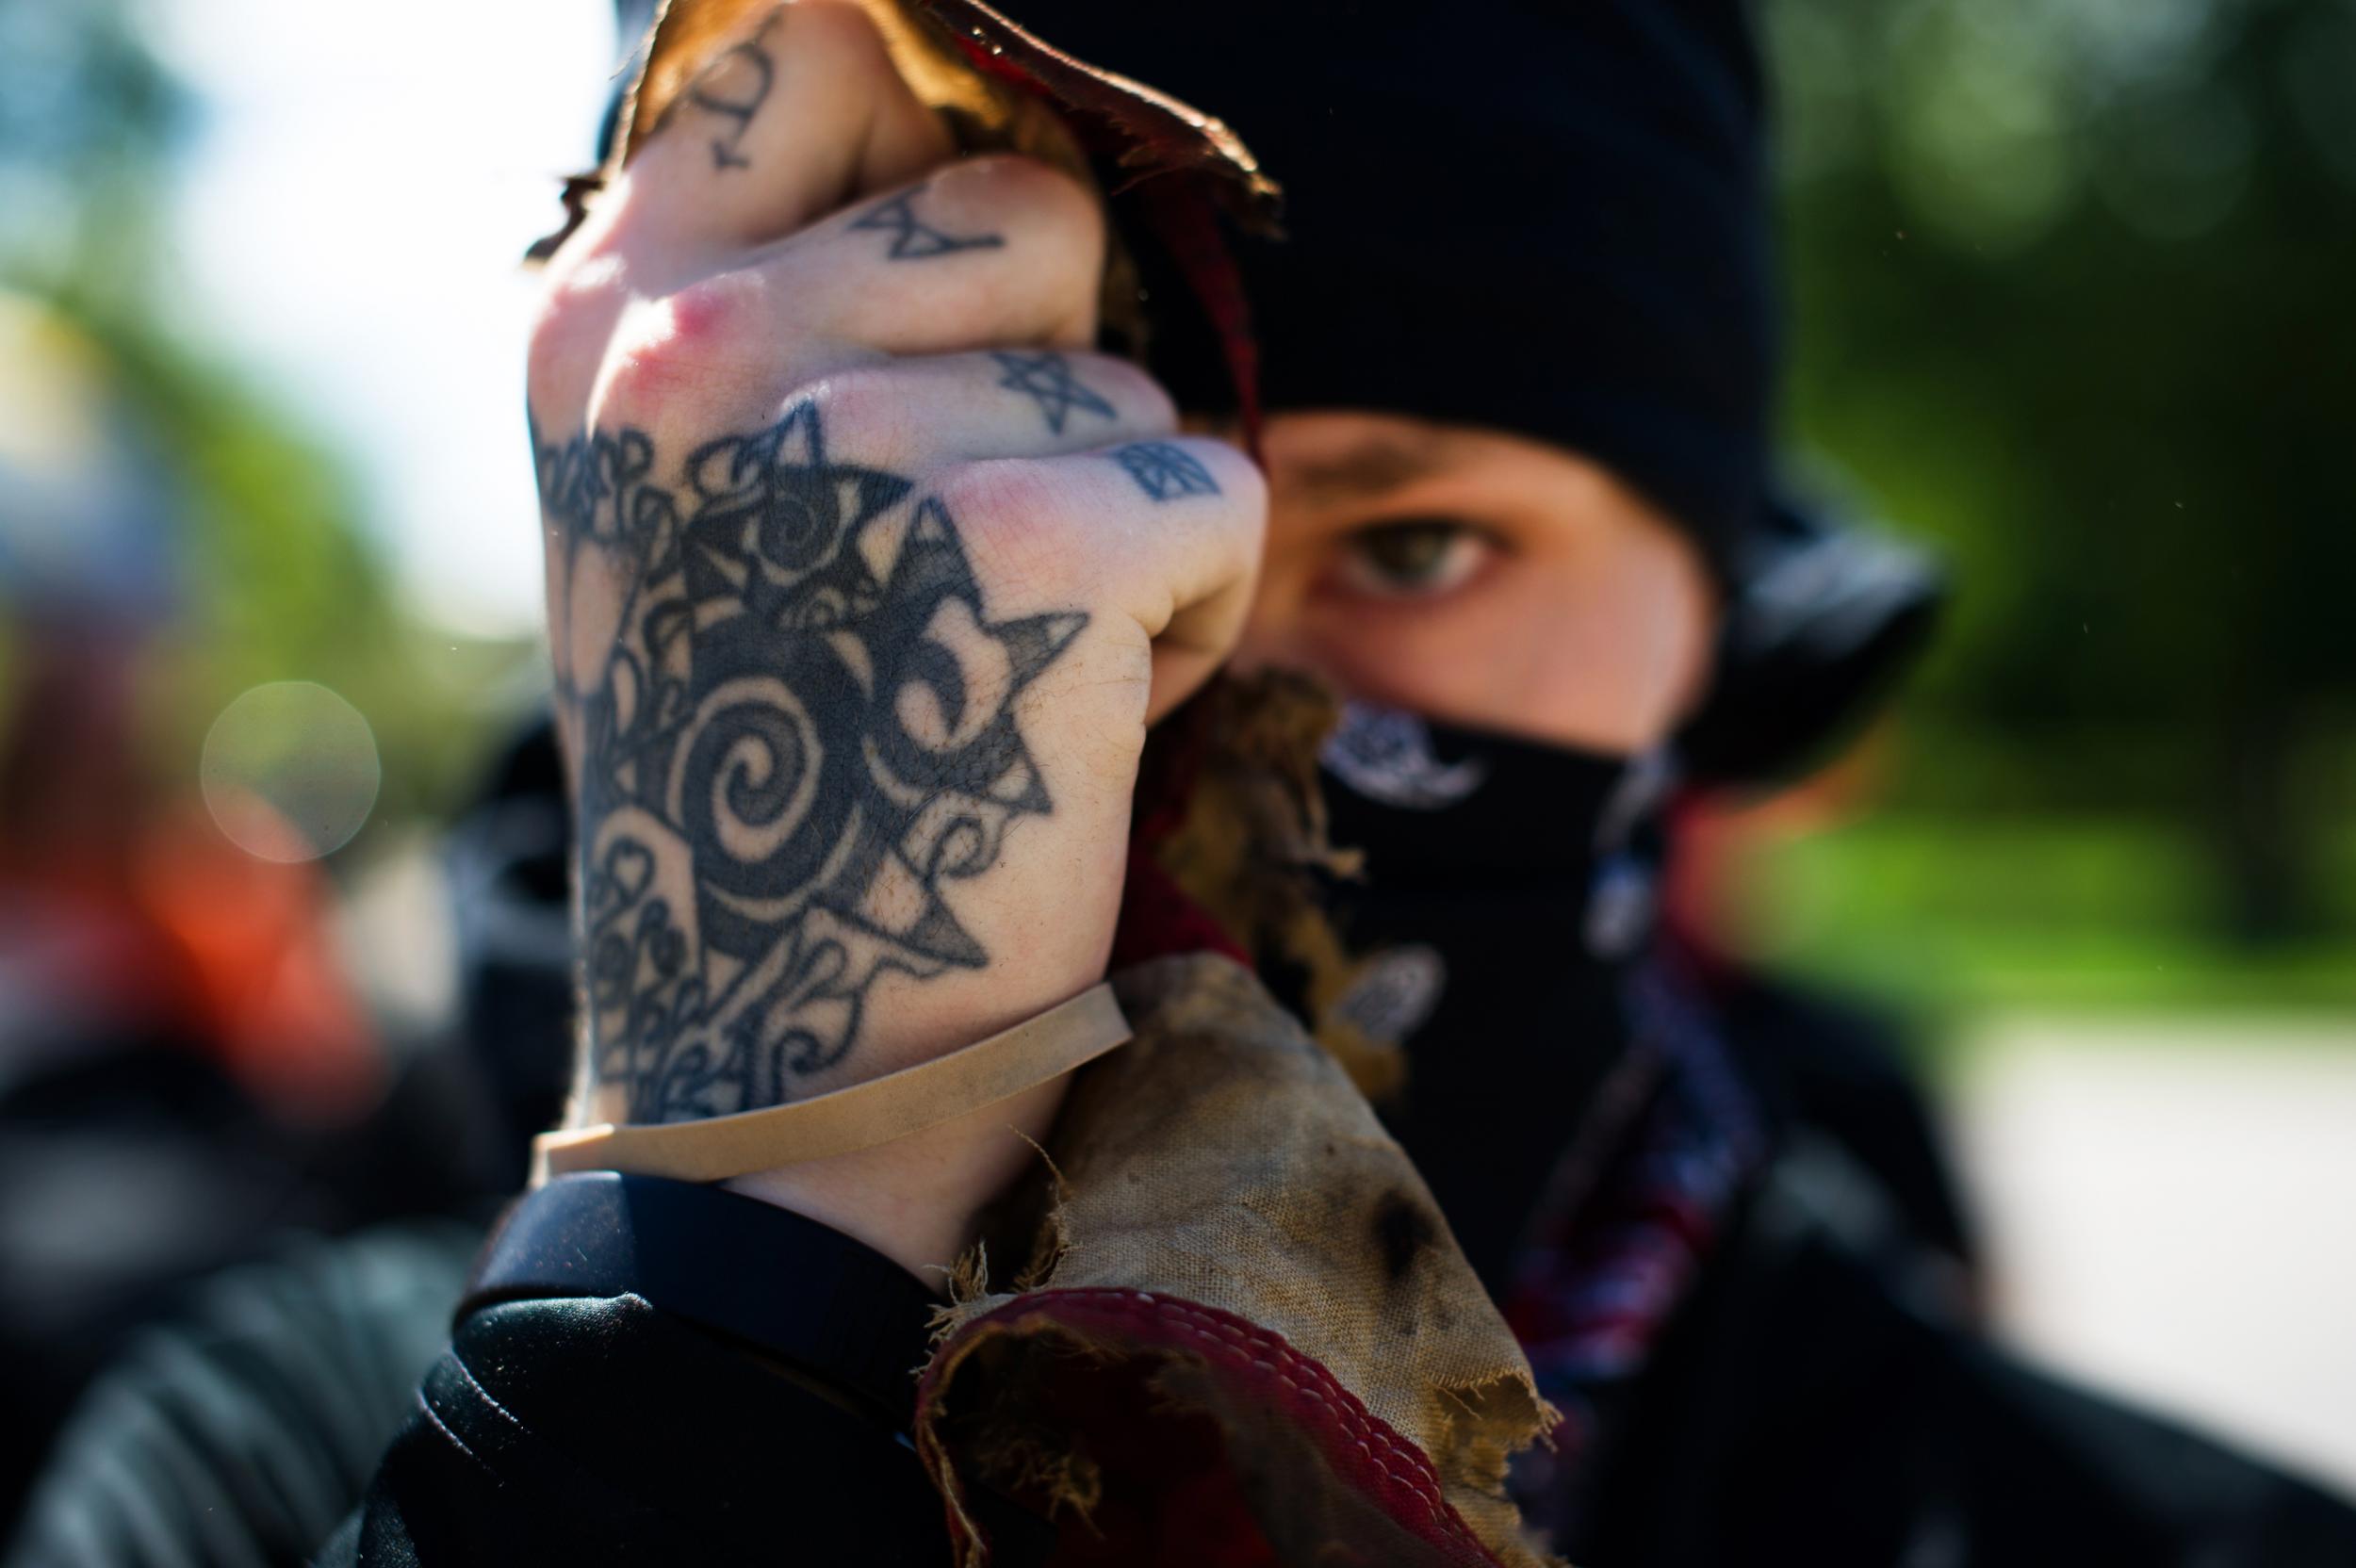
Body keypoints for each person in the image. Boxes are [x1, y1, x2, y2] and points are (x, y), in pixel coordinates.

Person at [28, 1, 2356, 1563]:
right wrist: (710, 1296)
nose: (1149, 674)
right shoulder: (296, 1457)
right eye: (937, 527)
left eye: (1415, 542)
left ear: (1711, 621)